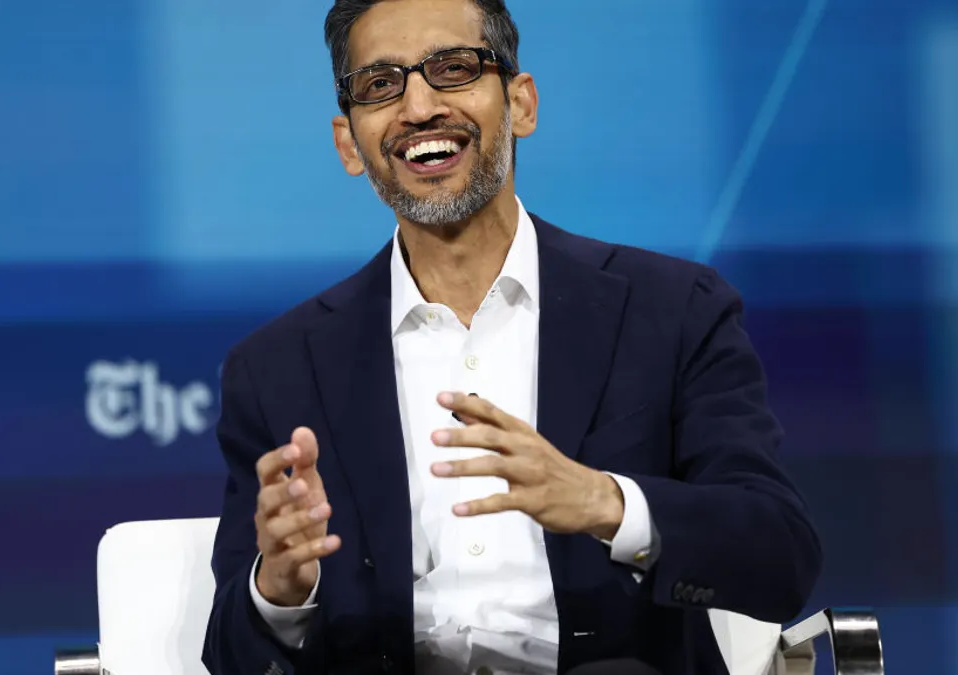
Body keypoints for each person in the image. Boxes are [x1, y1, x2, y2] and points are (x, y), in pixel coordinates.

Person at [202, 0, 822, 673]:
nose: (418, 107)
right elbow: (231, 652)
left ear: (521, 103)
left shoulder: (671, 311)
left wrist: (605, 502)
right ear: (349, 142)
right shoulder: (278, 368)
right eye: (380, 85)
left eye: (454, 69)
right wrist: (279, 590)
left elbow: (780, 553)